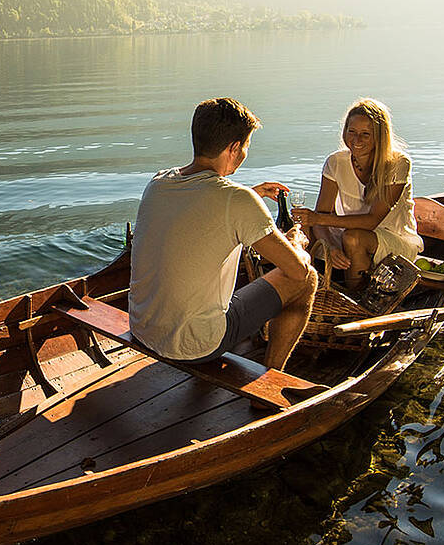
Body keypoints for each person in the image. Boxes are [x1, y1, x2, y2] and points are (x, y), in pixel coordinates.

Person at [129, 97, 319, 371]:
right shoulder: (237, 200)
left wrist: (252, 195)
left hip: (142, 328)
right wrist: (295, 242)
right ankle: (271, 380)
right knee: (307, 279)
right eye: (246, 148)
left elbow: (199, 208)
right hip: (197, 345)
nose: (244, 155)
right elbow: (297, 270)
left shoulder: (159, 182)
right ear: (234, 148)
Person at [295, 97, 422, 286]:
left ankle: (355, 302)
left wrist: (317, 219)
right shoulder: (336, 162)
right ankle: (306, 291)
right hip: (346, 232)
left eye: (365, 134)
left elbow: (372, 221)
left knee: (353, 238)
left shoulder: (398, 163)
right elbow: (319, 216)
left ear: (379, 136)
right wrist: (329, 247)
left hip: (394, 238)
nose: (356, 140)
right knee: (300, 230)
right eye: (351, 131)